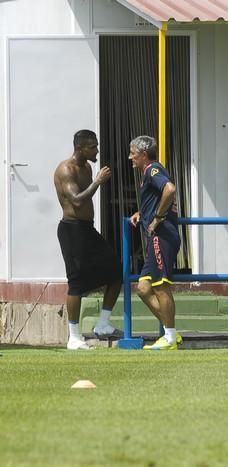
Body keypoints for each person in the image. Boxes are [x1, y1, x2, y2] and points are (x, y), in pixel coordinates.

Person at [54, 129, 123, 350]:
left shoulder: (87, 167)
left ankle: (103, 324)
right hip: (71, 230)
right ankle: (73, 337)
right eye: (93, 147)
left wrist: (94, 180)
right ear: (80, 148)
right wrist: (97, 182)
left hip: (87, 229)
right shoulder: (66, 169)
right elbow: (75, 201)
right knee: (76, 282)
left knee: (116, 271)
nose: (97, 150)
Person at [128, 135, 181, 350]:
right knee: (143, 288)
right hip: (156, 237)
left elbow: (170, 189)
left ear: (143, 154)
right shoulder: (148, 173)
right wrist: (143, 212)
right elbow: (159, 196)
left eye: (132, 152)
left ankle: (169, 338)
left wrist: (157, 218)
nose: (130, 156)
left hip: (163, 235)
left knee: (160, 286)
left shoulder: (153, 169)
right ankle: (171, 333)